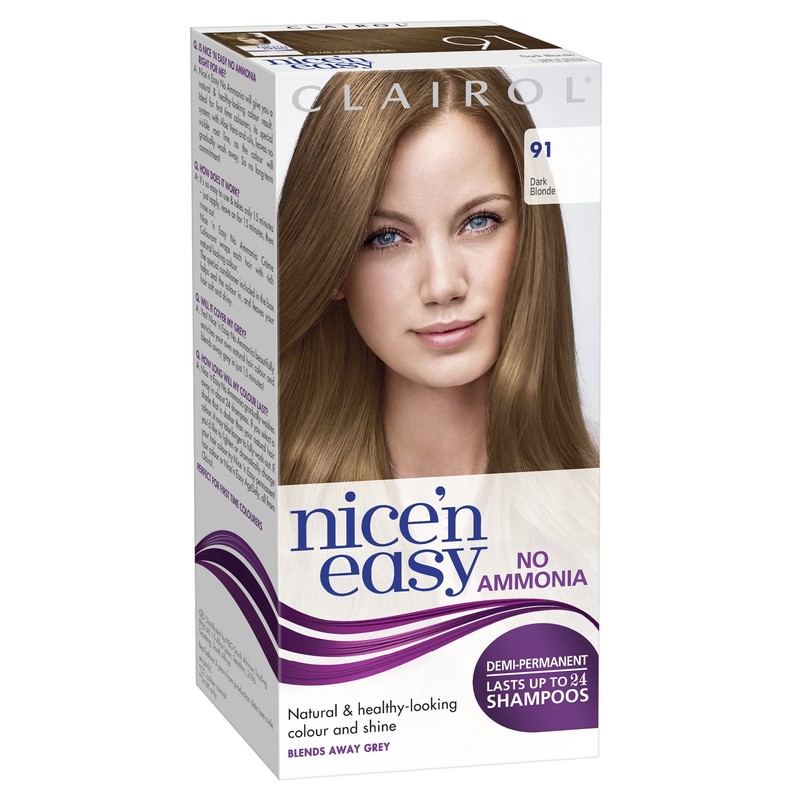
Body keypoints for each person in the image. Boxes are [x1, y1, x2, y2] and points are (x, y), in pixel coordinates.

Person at [278, 67, 598, 485]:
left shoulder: (599, 503)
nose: (443, 286)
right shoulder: (273, 497)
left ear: (531, 232)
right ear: (333, 266)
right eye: (386, 237)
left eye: (479, 221)